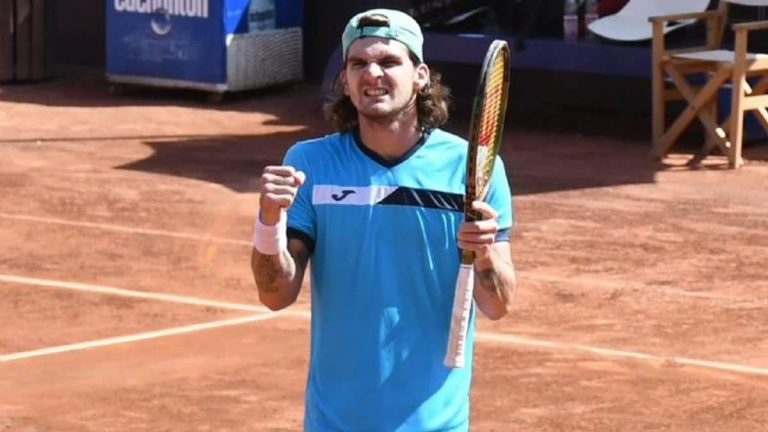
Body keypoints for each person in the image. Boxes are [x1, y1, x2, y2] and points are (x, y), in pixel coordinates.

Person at [250, 8, 517, 431]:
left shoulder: (470, 169)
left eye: (389, 61)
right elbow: (275, 294)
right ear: (345, 80)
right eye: (358, 63)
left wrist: (484, 255)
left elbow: (497, 305)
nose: (372, 73)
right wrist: (269, 223)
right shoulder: (309, 163)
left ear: (421, 75)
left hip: (437, 425)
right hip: (335, 423)